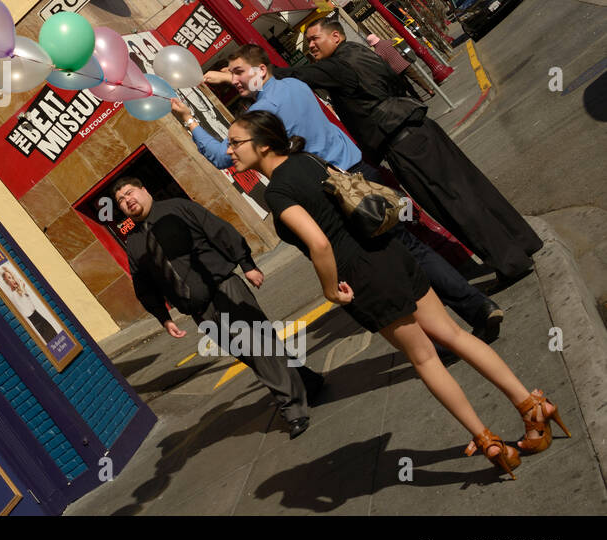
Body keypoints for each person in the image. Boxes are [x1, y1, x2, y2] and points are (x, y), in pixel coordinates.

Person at [227, 110, 568, 477]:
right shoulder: (307, 160)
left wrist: (329, 290)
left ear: (263, 145)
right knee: (454, 335)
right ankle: (532, 406)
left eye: (235, 142)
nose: (229, 150)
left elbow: (319, 243)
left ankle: (488, 442)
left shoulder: (278, 192)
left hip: (362, 276)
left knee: (425, 360)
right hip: (389, 252)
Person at [187, 44, 504, 342]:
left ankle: (438, 340)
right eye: (233, 73)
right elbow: (270, 76)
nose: (234, 80)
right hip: (360, 173)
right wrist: (234, 77)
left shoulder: (266, 111)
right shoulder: (295, 87)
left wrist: (190, 123)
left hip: (337, 191)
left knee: (387, 267)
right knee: (411, 249)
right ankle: (477, 308)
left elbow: (223, 157)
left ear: (260, 70)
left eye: (239, 72)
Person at [272, 17, 542, 285]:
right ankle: (523, 241)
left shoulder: (338, 65)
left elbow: (299, 74)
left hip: (404, 143)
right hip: (420, 128)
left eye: (314, 39)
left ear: (336, 37)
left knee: (453, 202)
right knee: (472, 187)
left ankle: (510, 262)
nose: (310, 47)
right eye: (308, 42)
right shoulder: (360, 53)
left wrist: (261, 72)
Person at [113, 175, 322, 438]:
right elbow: (144, 285)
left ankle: (293, 410)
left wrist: (246, 264)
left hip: (225, 289)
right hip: (199, 310)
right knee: (250, 352)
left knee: (256, 347)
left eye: (130, 192)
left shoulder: (177, 208)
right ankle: (308, 381)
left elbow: (218, 230)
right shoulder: (134, 243)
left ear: (143, 190)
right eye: (120, 200)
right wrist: (163, 317)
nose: (127, 200)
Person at [0, 267, 59, 345]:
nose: (13, 279)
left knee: (55, 337)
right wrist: (8, 271)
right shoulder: (12, 295)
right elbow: (26, 311)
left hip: (39, 317)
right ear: (6, 281)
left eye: (12, 277)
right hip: (34, 321)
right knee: (51, 341)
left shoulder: (19, 289)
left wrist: (9, 271)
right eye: (10, 278)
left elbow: (18, 280)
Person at [366, 34, 435, 101]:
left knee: (406, 85)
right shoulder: (389, 41)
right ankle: (429, 90)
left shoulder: (377, 52)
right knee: (417, 78)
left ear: (372, 44)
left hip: (395, 71)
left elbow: (383, 64)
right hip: (404, 63)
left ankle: (418, 98)